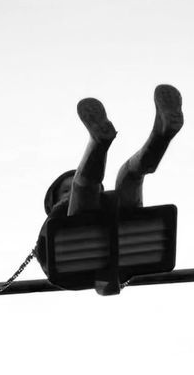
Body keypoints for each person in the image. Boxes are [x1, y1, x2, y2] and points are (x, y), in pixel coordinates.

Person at [35, 84, 184, 273]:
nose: (70, 194)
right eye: (66, 191)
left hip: (121, 232)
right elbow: (45, 253)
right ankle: (100, 141)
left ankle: (160, 135)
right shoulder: (57, 221)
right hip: (90, 240)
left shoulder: (102, 202)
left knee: (129, 175)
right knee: (86, 184)